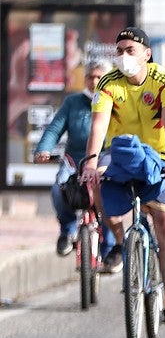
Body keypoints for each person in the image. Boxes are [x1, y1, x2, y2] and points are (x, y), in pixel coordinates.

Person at [80, 27, 165, 323]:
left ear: (146, 54)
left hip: (160, 157)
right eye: (119, 51)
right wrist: (90, 162)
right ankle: (118, 240)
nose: (123, 56)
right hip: (120, 154)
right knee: (98, 183)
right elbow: (98, 125)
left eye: (130, 50)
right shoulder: (108, 83)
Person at [33, 61, 117, 263]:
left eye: (99, 77)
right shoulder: (73, 102)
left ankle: (111, 247)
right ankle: (68, 231)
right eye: (90, 77)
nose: (94, 81)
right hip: (75, 162)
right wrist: (44, 149)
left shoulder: (115, 101)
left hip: (104, 160)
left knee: (109, 196)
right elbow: (55, 129)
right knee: (58, 189)